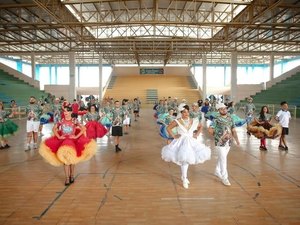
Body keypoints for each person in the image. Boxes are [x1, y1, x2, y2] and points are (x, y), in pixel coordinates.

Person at [39, 106, 97, 185]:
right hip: (63, 141)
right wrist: (59, 136)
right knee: (65, 160)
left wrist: (76, 136)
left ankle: (72, 175)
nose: (65, 113)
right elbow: (54, 129)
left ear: (70, 112)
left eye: (66, 111)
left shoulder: (74, 120)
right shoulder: (61, 120)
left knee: (72, 160)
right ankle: (67, 178)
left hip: (72, 141)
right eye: (64, 111)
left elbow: (83, 128)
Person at [161, 104, 211, 189]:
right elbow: (168, 128)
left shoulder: (193, 120)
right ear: (181, 113)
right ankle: (184, 178)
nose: (186, 113)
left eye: (187, 112)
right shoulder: (177, 121)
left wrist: (197, 134)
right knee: (184, 160)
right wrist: (174, 136)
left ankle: (184, 177)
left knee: (187, 160)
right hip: (181, 141)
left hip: (191, 141)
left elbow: (200, 126)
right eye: (184, 112)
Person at [208, 103, 240, 186]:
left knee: (223, 157)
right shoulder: (216, 119)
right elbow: (210, 129)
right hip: (220, 142)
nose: (224, 110)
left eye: (225, 108)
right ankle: (225, 178)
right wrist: (216, 135)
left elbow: (233, 129)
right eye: (221, 109)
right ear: (218, 110)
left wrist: (237, 140)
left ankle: (217, 170)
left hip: (228, 141)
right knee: (223, 159)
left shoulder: (230, 118)